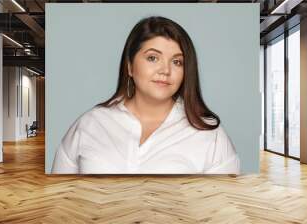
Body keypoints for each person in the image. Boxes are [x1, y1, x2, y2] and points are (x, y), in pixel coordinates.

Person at [51, 16, 240, 174]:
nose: (165, 70)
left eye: (177, 62)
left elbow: (225, 209)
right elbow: (58, 197)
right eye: (152, 58)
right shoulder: (90, 123)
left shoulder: (210, 135)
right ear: (130, 66)